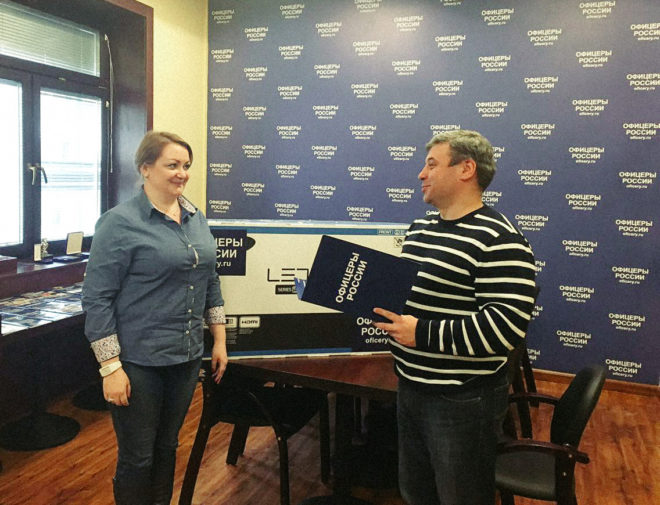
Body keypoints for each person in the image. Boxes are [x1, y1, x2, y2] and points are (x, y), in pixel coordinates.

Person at [373, 130, 536, 505]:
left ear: (466, 169)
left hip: (462, 401)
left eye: (432, 164)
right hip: (409, 388)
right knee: (416, 493)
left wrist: (421, 334)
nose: (421, 174)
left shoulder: (500, 238)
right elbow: (408, 302)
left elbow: (504, 330)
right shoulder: (419, 230)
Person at [82, 131, 228, 505]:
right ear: (145, 168)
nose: (182, 173)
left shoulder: (196, 217)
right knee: (138, 457)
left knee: (167, 447)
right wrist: (110, 368)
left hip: (185, 357)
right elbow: (97, 298)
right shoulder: (119, 223)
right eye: (172, 165)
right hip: (138, 362)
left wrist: (219, 339)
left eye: (186, 166)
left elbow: (209, 279)